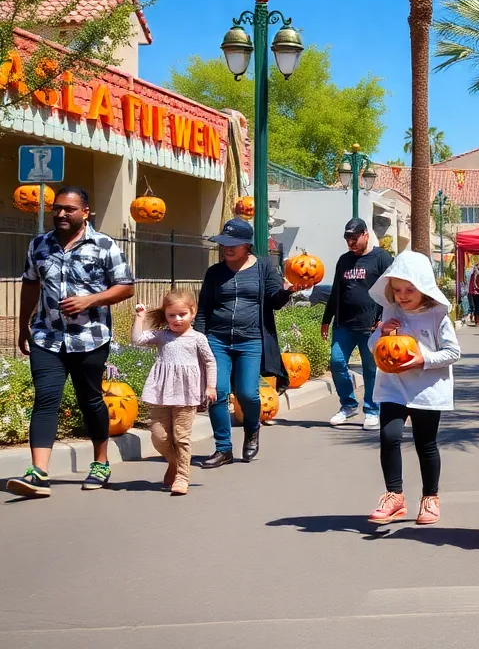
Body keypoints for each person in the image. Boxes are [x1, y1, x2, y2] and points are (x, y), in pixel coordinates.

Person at [5, 186, 134, 497]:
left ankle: (100, 462)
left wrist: (90, 300)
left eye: (69, 209)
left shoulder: (104, 245)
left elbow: (126, 287)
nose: (61, 214)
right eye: (57, 208)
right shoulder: (39, 245)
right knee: (46, 398)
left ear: (85, 212)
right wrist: (24, 326)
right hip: (46, 337)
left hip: (90, 338)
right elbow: (31, 286)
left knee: (90, 400)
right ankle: (38, 473)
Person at [365, 251, 461, 526]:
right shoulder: (390, 312)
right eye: (397, 290)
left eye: (410, 289)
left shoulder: (437, 315)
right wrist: (381, 332)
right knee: (389, 436)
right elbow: (374, 349)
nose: (403, 295)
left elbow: (453, 352)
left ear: (423, 288)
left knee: (425, 443)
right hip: (394, 386)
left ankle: (430, 497)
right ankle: (394, 495)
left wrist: (424, 359)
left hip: (426, 390)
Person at [195, 218, 298, 469]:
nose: (227, 248)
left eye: (234, 244)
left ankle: (252, 429)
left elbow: (274, 301)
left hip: (250, 340)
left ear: (247, 245)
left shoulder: (263, 268)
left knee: (247, 394)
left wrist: (287, 291)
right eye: (224, 244)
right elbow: (203, 310)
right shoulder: (214, 273)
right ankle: (223, 449)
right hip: (217, 340)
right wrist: (198, 341)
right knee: (218, 393)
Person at [130, 289, 217, 495]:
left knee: (181, 437)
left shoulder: (198, 338)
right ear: (165, 314)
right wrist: (140, 318)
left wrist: (211, 386)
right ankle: (174, 462)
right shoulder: (162, 336)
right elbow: (137, 340)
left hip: (187, 395)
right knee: (158, 436)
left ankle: (182, 477)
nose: (177, 319)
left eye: (182, 314)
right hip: (161, 392)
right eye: (172, 315)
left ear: (192, 312)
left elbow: (210, 361)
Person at [323, 218, 393, 431]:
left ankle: (372, 411)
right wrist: (326, 319)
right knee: (336, 362)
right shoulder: (344, 260)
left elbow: (390, 289)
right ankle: (348, 404)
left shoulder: (381, 258)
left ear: (365, 234)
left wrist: (383, 318)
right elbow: (336, 290)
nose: (351, 242)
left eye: (354, 238)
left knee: (370, 369)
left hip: (371, 326)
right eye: (348, 239)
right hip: (344, 324)